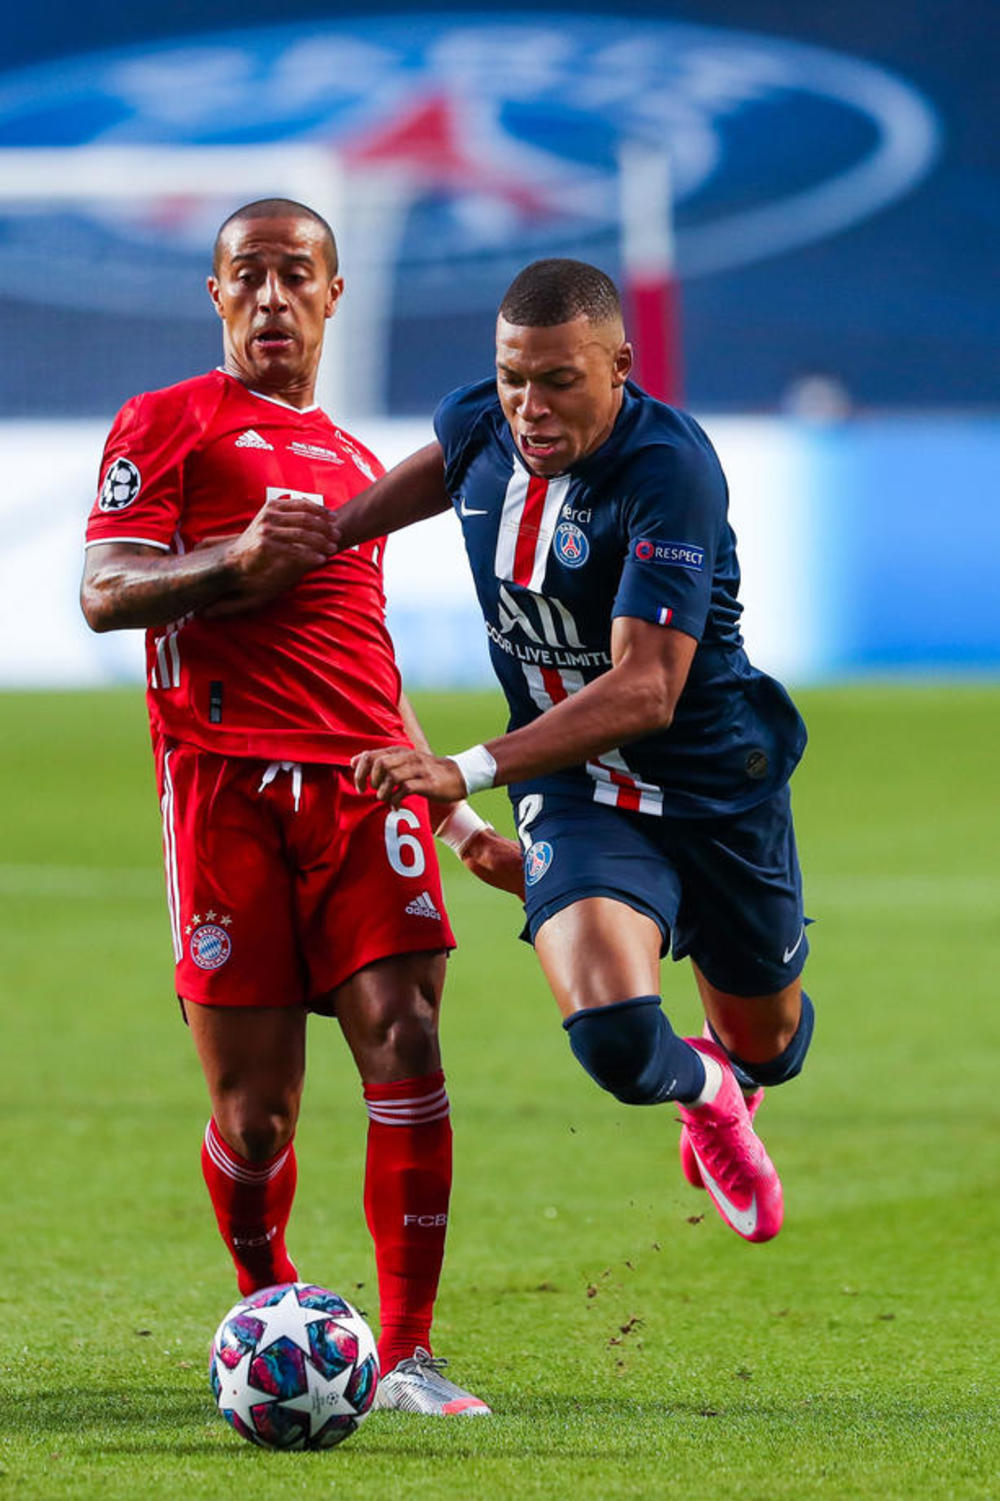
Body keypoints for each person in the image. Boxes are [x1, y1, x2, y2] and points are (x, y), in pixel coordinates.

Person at [80, 198, 522, 1416]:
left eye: (295, 275)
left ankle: (410, 1353)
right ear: (216, 295)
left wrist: (460, 820)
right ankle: (271, 1308)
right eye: (248, 276)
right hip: (222, 791)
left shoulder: (356, 470)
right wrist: (232, 562)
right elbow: (105, 591)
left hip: (363, 791)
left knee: (407, 1037)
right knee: (256, 1116)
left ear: (333, 295)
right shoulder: (167, 422)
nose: (271, 297)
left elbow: (366, 664)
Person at [338, 258, 814, 1245]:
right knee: (616, 1039)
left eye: (559, 380)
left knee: (772, 1045)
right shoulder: (480, 425)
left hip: (714, 785)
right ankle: (709, 1092)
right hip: (574, 790)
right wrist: (326, 536)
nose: (530, 406)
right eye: (512, 377)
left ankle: (742, 1067)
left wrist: (464, 772)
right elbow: (432, 471)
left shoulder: (668, 470)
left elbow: (647, 688)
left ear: (619, 366)